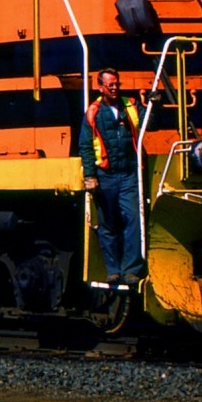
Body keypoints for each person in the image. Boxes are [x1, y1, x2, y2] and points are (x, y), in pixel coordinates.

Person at [79, 68, 146, 286]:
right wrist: (90, 175)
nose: (115, 88)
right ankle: (113, 270)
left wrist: (153, 106)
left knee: (133, 218)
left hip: (128, 173)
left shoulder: (131, 106)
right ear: (101, 87)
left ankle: (131, 270)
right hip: (105, 175)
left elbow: (147, 125)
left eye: (117, 84)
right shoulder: (93, 112)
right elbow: (86, 145)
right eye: (110, 85)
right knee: (107, 223)